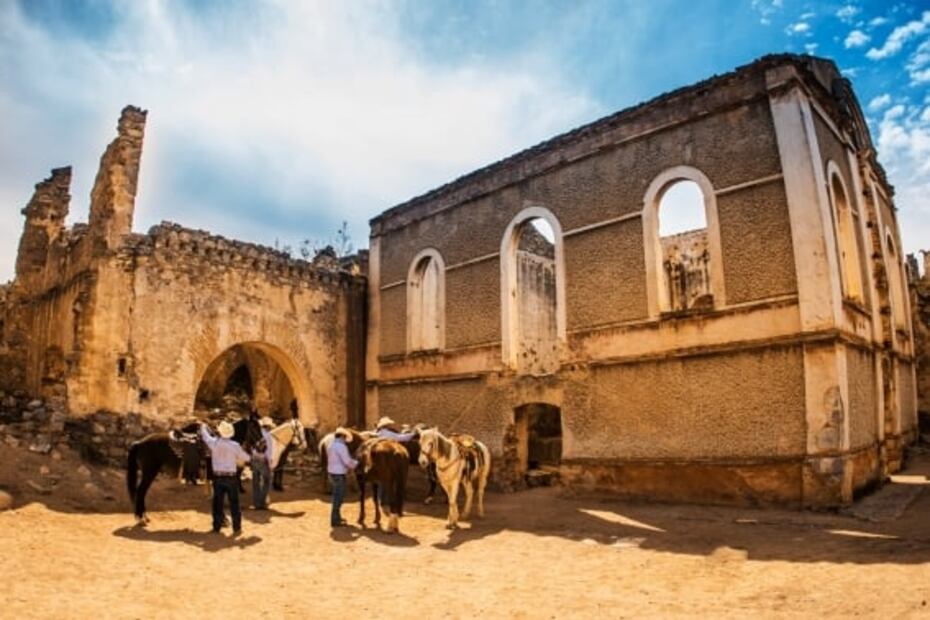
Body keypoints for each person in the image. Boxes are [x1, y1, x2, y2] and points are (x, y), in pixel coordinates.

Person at [200, 420, 252, 535]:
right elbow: (247, 458)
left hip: (218, 478)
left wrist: (203, 426)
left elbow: (205, 436)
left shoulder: (214, 443)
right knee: (234, 504)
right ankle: (237, 528)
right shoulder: (235, 446)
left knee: (217, 504)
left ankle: (217, 527)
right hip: (231, 478)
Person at [327, 427, 358, 527]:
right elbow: (347, 461)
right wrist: (357, 463)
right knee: (338, 497)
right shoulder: (341, 446)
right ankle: (335, 520)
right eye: (345, 438)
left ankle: (337, 517)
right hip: (339, 474)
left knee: (337, 496)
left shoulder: (331, 445)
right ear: (342, 436)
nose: (345, 440)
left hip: (332, 473)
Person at [251, 417, 275, 509]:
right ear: (268, 426)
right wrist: (270, 463)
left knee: (255, 482)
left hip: (254, 459)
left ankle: (256, 503)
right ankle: (262, 502)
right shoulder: (269, 436)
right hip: (263, 460)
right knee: (266, 481)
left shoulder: (255, 433)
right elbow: (269, 451)